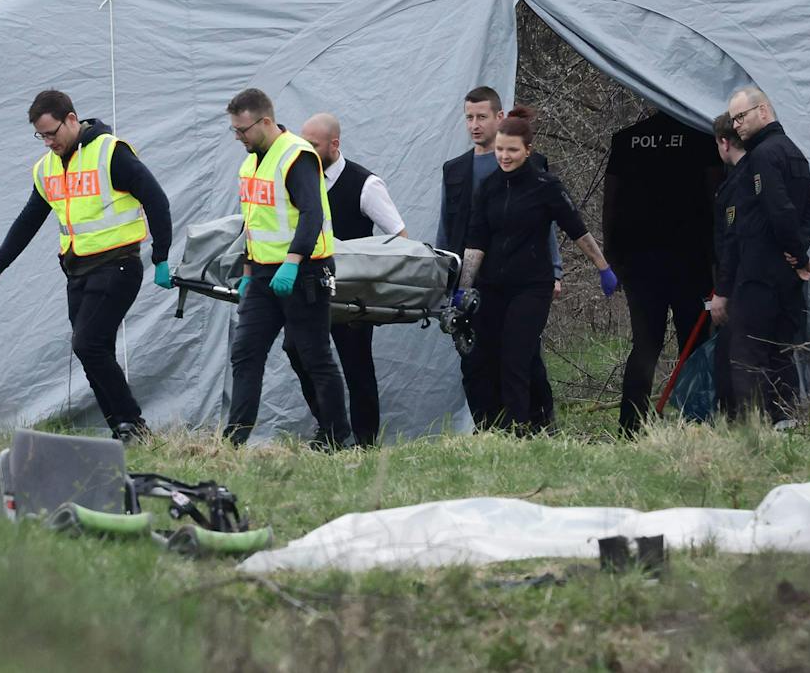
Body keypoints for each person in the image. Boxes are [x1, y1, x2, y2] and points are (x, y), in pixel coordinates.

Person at [0, 89, 174, 442]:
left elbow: (156, 200)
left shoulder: (110, 153)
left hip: (118, 265)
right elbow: (28, 221)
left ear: (71, 119)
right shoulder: (47, 168)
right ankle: (121, 429)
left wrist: (161, 256)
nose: (49, 142)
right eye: (41, 136)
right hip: (77, 271)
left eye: (53, 133)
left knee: (88, 345)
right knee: (94, 351)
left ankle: (134, 425)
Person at [460, 107, 618, 432]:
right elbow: (476, 242)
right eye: (500, 149)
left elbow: (577, 230)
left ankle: (521, 427)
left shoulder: (546, 185)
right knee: (483, 357)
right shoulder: (488, 187)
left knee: (516, 357)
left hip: (532, 285)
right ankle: (491, 427)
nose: (504, 156)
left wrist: (603, 268)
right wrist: (463, 286)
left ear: (527, 151)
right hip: (492, 285)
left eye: (512, 150)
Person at [221, 87, 351, 449]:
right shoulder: (250, 162)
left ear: (265, 121)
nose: (238, 137)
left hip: (304, 272)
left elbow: (313, 213)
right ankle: (234, 440)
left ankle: (338, 438)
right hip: (263, 274)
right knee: (246, 352)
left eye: (242, 130)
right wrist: (248, 273)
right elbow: (254, 223)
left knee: (312, 356)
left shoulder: (297, 156)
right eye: (234, 130)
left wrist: (293, 263)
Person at [437, 85, 561, 430]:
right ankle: (489, 428)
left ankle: (537, 423)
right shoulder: (455, 170)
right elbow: (447, 228)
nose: (475, 125)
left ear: (499, 117)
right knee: (476, 358)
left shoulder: (529, 163)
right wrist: (445, 278)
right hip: (473, 281)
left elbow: (546, 222)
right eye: (469, 118)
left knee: (521, 355)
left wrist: (554, 270)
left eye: (481, 117)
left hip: (522, 275)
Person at [280, 112, 407, 448]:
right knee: (296, 350)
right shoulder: (297, 179)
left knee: (356, 365)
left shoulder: (366, 185)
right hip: (307, 288)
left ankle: (365, 442)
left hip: (350, 293)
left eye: (313, 145)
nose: (304, 151)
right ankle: (331, 430)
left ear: (334, 145)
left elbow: (400, 238)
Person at [604, 108, 722, 435]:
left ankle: (630, 425)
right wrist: (719, 261)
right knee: (694, 342)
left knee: (645, 343)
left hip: (641, 262)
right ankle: (695, 422)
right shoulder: (701, 138)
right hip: (691, 260)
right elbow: (716, 199)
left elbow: (610, 202)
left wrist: (614, 255)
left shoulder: (628, 139)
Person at [722, 86, 810, 422]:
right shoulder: (794, 153)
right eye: (734, 119)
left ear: (763, 111)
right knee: (781, 352)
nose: (736, 125)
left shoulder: (763, 156)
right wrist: (798, 253)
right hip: (786, 276)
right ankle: (786, 424)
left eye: (741, 116)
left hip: (760, 274)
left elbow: (779, 209)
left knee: (749, 353)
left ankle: (754, 430)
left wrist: (797, 252)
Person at [706, 110, 748, 420]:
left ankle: (734, 419)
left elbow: (731, 241)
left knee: (730, 357)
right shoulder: (752, 173)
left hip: (740, 284)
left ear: (724, 142)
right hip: (749, 279)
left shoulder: (737, 183)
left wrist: (722, 290)